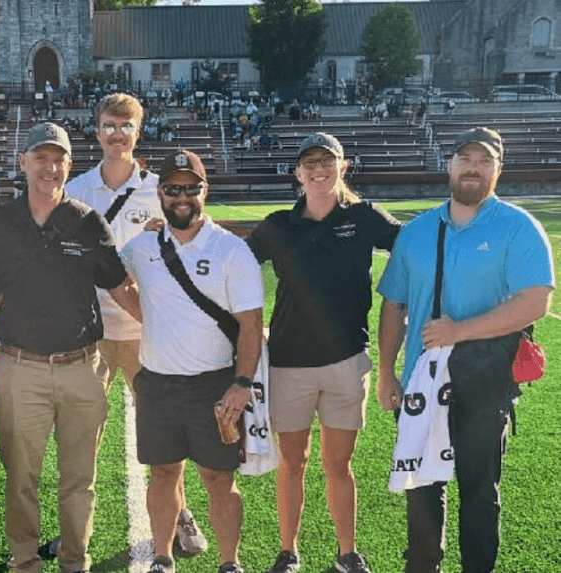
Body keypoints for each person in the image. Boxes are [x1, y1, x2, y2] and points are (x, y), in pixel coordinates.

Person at [377, 127, 554, 573]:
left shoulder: (517, 227)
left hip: (485, 378)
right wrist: (385, 372)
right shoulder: (417, 231)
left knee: (478, 489)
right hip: (421, 378)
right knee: (421, 486)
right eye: (465, 159)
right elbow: (393, 304)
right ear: (449, 164)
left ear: (498, 169)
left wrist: (459, 331)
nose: (473, 168)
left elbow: (535, 301)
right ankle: (422, 566)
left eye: (484, 160)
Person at [0, 122, 141, 573]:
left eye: (59, 159)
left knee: (79, 480)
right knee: (21, 477)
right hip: (20, 367)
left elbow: (120, 286)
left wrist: (166, 327)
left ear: (69, 165)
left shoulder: (86, 220)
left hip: (81, 367)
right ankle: (25, 559)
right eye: (41, 158)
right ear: (23, 162)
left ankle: (74, 560)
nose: (50, 168)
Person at [246, 133, 401, 573]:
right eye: (309, 162)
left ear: (342, 167)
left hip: (346, 361)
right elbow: (231, 262)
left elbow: (412, 246)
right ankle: (288, 551)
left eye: (326, 161)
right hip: (288, 364)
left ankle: (346, 553)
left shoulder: (365, 217)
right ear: (297, 173)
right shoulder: (278, 224)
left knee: (339, 464)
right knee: (292, 462)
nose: (318, 169)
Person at [65, 93, 209, 556]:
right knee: (82, 435)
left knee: (165, 433)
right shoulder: (78, 188)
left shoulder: (159, 190)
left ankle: (181, 515)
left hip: (147, 329)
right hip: (89, 331)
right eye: (109, 125)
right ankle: (75, 527)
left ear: (137, 131)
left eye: (125, 127)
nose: (116, 134)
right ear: (97, 130)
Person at [122, 150, 264, 573]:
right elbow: (111, 278)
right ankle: (162, 558)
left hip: (215, 384)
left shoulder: (231, 250)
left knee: (219, 478)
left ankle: (229, 563)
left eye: (190, 188)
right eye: (172, 189)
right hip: (158, 384)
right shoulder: (142, 245)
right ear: (160, 194)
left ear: (205, 191)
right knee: (163, 474)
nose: (181, 196)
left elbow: (251, 326)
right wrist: (148, 312)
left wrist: (242, 382)